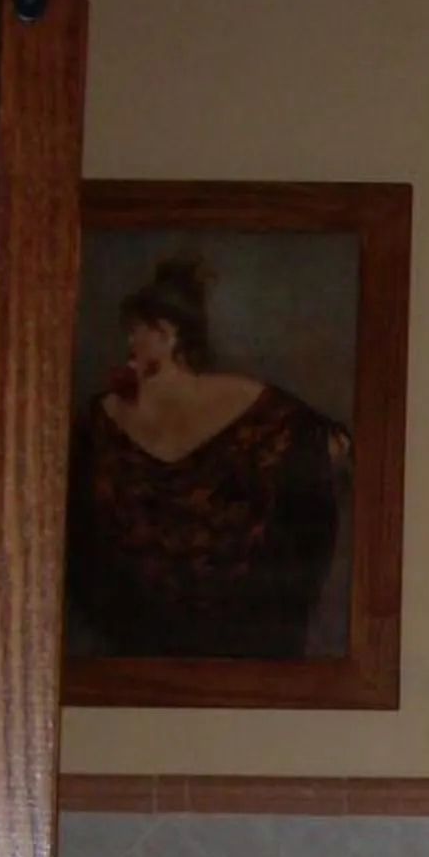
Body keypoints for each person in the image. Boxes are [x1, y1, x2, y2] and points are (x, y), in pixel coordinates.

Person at [66, 251, 352, 660]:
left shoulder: (250, 401)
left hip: (237, 639)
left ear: (167, 334)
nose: (129, 342)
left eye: (137, 331)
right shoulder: (104, 415)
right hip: (136, 640)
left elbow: (318, 441)